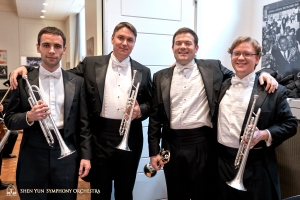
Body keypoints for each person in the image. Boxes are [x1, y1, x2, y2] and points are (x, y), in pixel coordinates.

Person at [10, 22, 152, 200]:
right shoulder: (92, 63)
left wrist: (140, 111)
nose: (124, 43)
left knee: (125, 191)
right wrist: (28, 69)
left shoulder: (144, 71)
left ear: (134, 43)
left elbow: (151, 104)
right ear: (112, 39)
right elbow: (59, 73)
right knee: (99, 191)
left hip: (130, 138)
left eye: (130, 40)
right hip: (100, 138)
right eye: (120, 38)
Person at [147, 27, 278, 200]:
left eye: (188, 43)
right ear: (172, 48)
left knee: (204, 194)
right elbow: (155, 116)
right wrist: (154, 151)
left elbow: (241, 75)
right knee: (175, 193)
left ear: (196, 48)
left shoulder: (212, 67)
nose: (183, 47)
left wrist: (264, 73)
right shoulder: (160, 77)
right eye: (178, 43)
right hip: (171, 145)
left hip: (203, 144)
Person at [4, 26, 92, 200]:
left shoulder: (77, 82)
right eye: (46, 45)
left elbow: (84, 124)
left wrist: (86, 156)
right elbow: (9, 119)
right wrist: (29, 116)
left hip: (67, 154)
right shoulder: (23, 80)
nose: (52, 51)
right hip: (33, 154)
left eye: (57, 46)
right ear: (38, 47)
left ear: (64, 50)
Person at [216, 36, 297, 200]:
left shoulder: (272, 89)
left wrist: (264, 134)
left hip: (256, 166)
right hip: (222, 163)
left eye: (247, 54)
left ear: (257, 58)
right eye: (236, 53)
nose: (240, 58)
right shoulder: (222, 84)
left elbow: (290, 124)